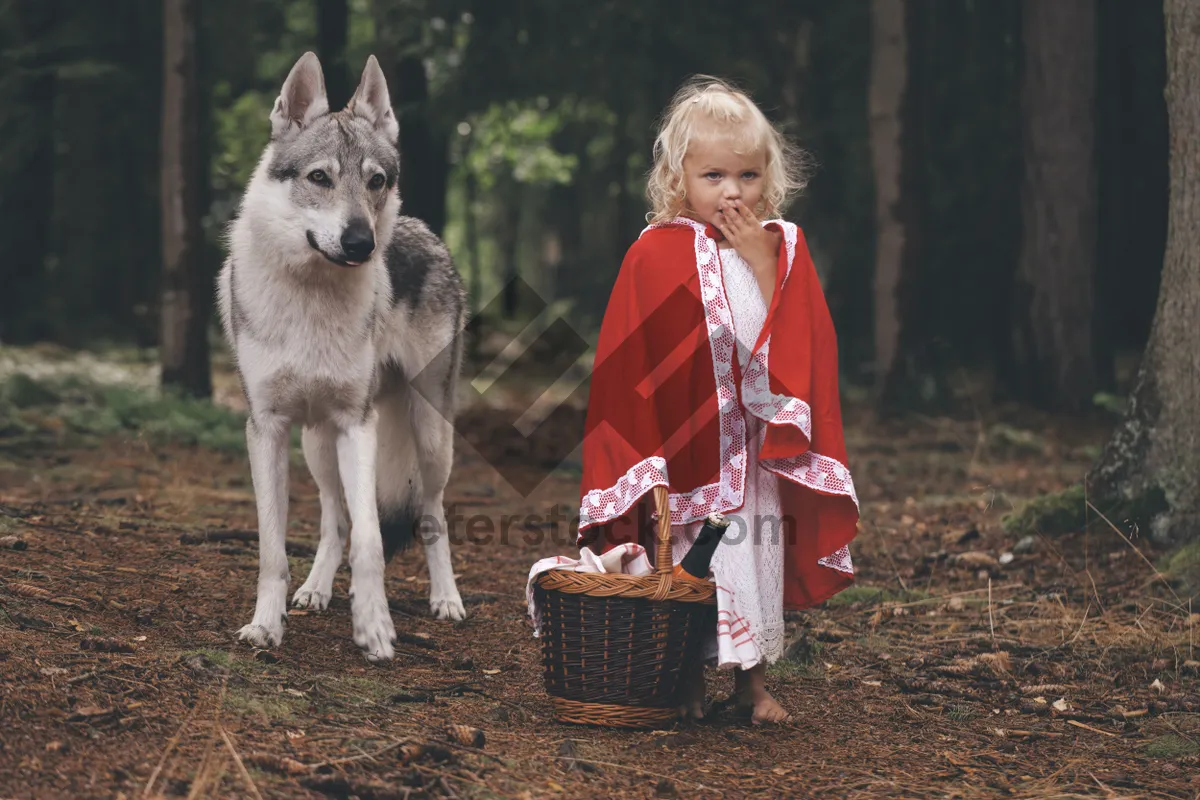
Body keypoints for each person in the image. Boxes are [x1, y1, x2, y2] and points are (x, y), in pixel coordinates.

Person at [577, 76, 860, 725]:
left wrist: (763, 263)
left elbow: (800, 342)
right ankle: (683, 682)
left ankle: (752, 686)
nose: (733, 191)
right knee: (683, 569)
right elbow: (631, 359)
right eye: (713, 175)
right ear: (680, 177)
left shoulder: (782, 248)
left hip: (754, 453)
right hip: (680, 451)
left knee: (748, 562)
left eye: (748, 176)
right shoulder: (654, 253)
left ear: (770, 178)